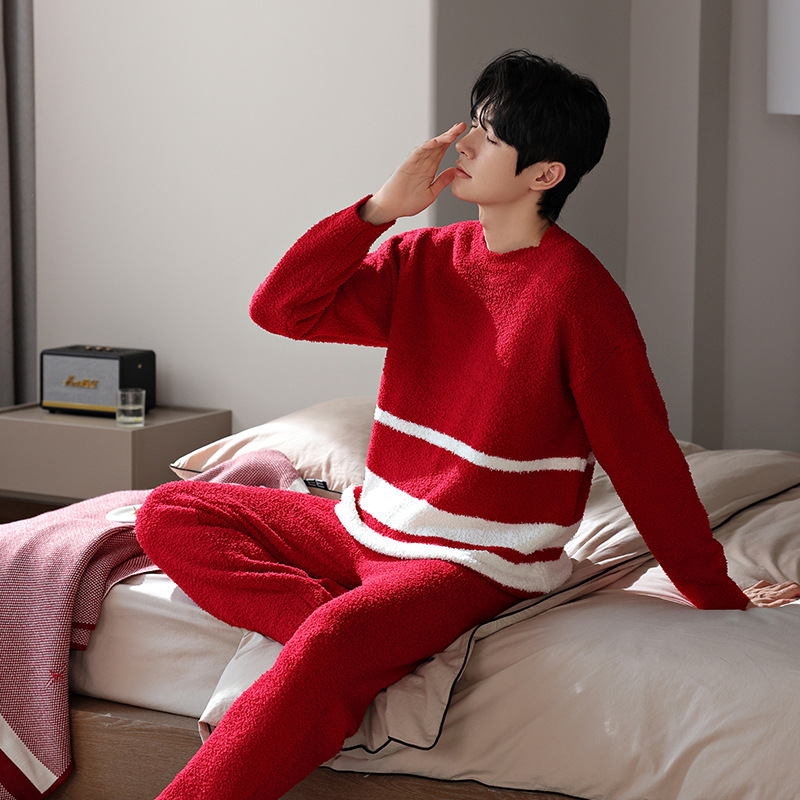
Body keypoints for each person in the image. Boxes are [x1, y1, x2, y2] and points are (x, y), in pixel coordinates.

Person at [135, 50, 799, 799]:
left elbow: (645, 460)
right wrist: (377, 211)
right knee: (169, 511)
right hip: (365, 527)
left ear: (545, 174)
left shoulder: (579, 297)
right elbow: (281, 309)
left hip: (474, 564)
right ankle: (360, 645)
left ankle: (343, 648)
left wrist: (716, 592)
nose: (466, 143)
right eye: (473, 123)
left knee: (333, 638)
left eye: (491, 134)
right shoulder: (424, 258)